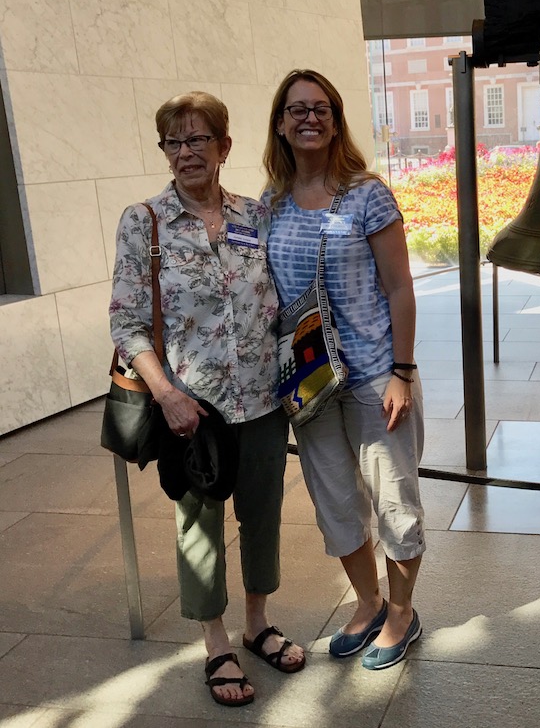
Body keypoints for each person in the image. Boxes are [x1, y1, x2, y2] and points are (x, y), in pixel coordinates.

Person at [109, 91, 305, 707]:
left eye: (199, 139)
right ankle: (215, 640)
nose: (186, 151)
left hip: (264, 400)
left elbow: (279, 298)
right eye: (175, 140)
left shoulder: (255, 214)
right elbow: (126, 322)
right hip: (192, 405)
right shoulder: (145, 220)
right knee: (199, 525)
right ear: (164, 150)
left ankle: (256, 622)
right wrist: (166, 395)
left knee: (264, 513)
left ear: (224, 147)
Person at [263, 69, 425, 671]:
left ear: (335, 120)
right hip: (309, 384)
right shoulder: (271, 204)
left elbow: (401, 288)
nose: (309, 117)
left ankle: (404, 614)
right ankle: (368, 602)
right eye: (296, 109)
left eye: (321, 108)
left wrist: (402, 371)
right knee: (335, 501)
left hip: (373, 375)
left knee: (394, 502)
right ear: (280, 123)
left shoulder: (367, 193)